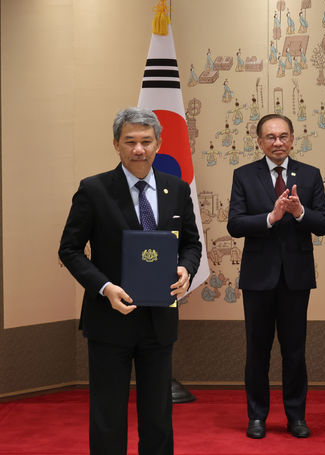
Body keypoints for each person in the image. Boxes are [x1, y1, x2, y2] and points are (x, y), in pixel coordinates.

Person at [58, 107, 202, 455]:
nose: (139, 149)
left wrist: (186, 269)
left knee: (158, 414)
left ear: (159, 144)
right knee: (108, 414)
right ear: (116, 145)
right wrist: (104, 287)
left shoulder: (177, 189)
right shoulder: (93, 190)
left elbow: (192, 244)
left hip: (159, 322)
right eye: (130, 142)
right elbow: (70, 249)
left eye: (146, 142)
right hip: (110, 320)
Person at [227, 114, 325, 439]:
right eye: (270, 137)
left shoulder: (310, 175)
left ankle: (296, 417)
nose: (278, 142)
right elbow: (235, 224)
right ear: (259, 141)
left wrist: (300, 213)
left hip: (296, 279)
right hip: (258, 278)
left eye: (283, 136)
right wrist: (271, 217)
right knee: (257, 351)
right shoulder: (244, 175)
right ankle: (257, 417)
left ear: (292, 139)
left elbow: (323, 224)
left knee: (295, 352)